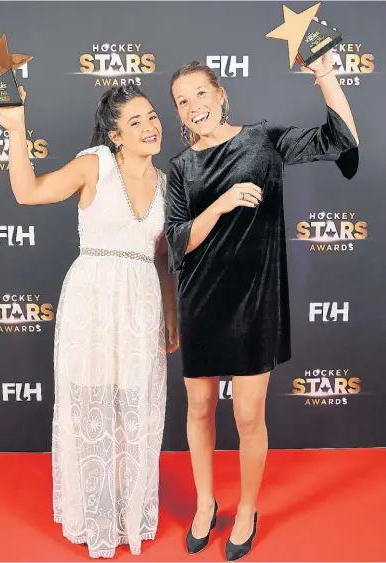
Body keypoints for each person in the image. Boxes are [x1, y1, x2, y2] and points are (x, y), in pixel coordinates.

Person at [165, 51, 359, 561]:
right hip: (200, 300)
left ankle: (247, 508)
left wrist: (325, 75)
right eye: (182, 102)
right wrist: (222, 203)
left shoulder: (263, 139)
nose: (193, 106)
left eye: (201, 94)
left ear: (221, 94)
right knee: (200, 408)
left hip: (255, 300)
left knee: (249, 415)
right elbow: (177, 240)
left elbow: (340, 142)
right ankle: (206, 503)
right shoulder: (181, 166)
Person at [0, 84, 179, 559]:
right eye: (135, 122)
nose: (150, 127)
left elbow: (163, 256)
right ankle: (93, 516)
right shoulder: (95, 165)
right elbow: (28, 193)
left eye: (152, 116)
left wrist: (171, 316)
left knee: (135, 412)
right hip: (92, 300)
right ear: (115, 134)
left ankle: (130, 513)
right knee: (89, 409)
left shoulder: (169, 184)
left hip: (141, 305)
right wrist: (17, 129)